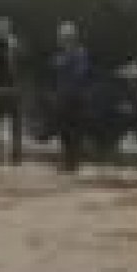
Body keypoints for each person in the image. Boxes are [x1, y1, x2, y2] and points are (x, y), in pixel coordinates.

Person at [53, 21, 89, 173]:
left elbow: (81, 73)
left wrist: (64, 63)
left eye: (65, 37)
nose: (62, 40)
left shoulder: (80, 53)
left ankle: (72, 163)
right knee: (64, 130)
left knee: (73, 130)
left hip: (74, 97)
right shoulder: (62, 55)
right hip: (63, 96)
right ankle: (68, 161)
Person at [0, 16, 23, 166]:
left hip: (13, 86)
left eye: (5, 27)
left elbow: (20, 62)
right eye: (0, 27)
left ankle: (16, 156)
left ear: (9, 29)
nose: (2, 29)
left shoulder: (15, 43)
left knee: (15, 124)